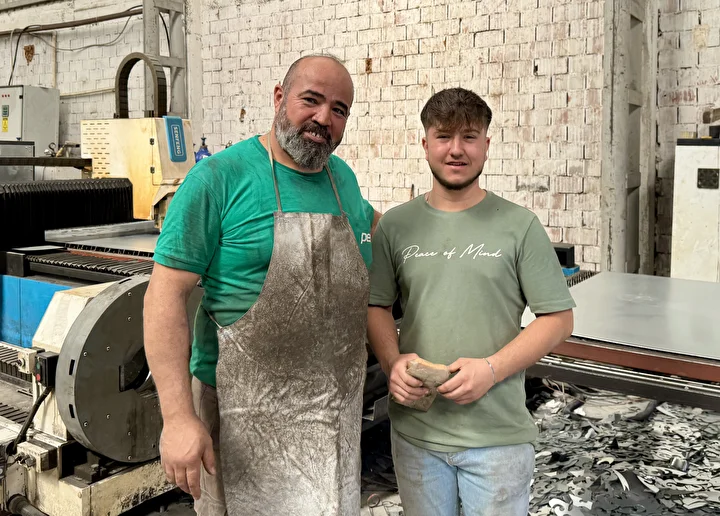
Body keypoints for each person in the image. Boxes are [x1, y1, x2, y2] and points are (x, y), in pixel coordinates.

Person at [143, 54, 381, 516]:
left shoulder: (343, 181)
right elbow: (164, 297)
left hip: (333, 412)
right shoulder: (217, 179)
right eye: (311, 100)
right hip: (240, 415)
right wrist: (178, 418)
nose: (323, 119)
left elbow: (378, 237)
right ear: (278, 97)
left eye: (339, 110)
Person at [366, 87, 575, 516]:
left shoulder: (519, 226)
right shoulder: (395, 227)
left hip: (497, 440)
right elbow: (377, 307)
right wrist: (392, 362)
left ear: (486, 144)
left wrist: (491, 369)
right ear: (425, 143)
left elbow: (558, 319)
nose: (456, 149)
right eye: (443, 136)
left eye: (469, 136)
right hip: (417, 437)